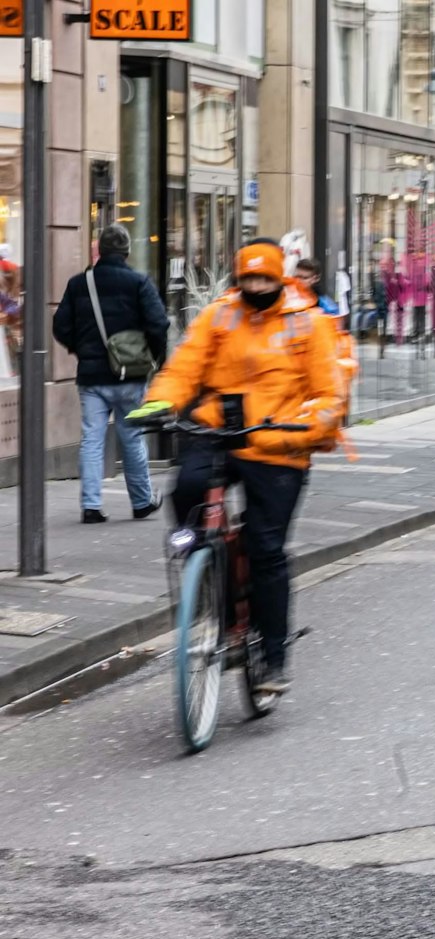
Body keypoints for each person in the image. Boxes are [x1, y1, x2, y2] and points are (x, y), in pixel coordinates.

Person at [127, 239, 347, 696]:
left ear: (279, 278)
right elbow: (185, 366)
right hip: (220, 434)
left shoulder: (308, 321)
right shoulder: (221, 315)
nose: (256, 286)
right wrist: (160, 403)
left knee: (266, 549)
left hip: (278, 444)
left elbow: (330, 393)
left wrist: (305, 428)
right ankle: (206, 578)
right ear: (238, 278)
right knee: (185, 492)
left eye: (264, 278)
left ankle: (272, 656)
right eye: (248, 279)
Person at [53, 225, 170, 523]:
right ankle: (142, 502)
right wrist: (152, 357)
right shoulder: (138, 282)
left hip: (92, 377)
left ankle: (91, 506)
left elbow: (60, 327)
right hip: (130, 375)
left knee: (91, 439)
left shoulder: (80, 283)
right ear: (126, 251)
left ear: (100, 251)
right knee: (131, 437)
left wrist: (82, 349)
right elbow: (158, 324)